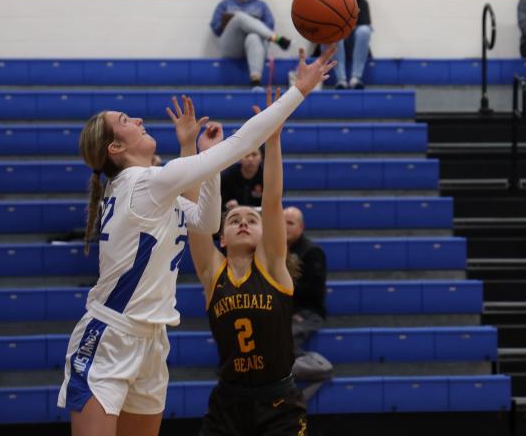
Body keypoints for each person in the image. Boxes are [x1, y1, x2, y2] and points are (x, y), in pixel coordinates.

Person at [57, 48, 335, 436]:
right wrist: (298, 91)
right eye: (125, 120)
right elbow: (238, 146)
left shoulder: (151, 190)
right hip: (111, 337)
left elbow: (204, 219)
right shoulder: (143, 183)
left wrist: (197, 153)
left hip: (152, 342)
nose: (137, 119)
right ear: (115, 148)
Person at [188, 90, 309, 436]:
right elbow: (195, 216)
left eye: (250, 220)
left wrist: (273, 139)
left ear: (264, 235)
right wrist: (198, 155)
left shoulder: (272, 265)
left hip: (278, 403)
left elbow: (271, 199)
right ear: (221, 238)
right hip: (229, 403)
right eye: (234, 219)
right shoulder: (213, 272)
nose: (243, 221)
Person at [210, 0, 292, 90]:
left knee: (253, 36)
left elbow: (270, 26)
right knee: (240, 17)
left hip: (256, 46)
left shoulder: (261, 5)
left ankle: (256, 81)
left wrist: (250, 26)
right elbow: (216, 29)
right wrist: (233, 23)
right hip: (232, 46)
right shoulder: (224, 4)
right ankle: (277, 39)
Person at [284, 206, 328, 354]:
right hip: (282, 310)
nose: (285, 227)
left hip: (307, 312)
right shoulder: (273, 250)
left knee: (283, 338)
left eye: (290, 223)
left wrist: (284, 287)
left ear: (301, 227)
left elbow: (315, 291)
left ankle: (311, 367)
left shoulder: (312, 252)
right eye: (282, 222)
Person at [331, 0, 373, 89]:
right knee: (334, 33)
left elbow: (363, 25)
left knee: (364, 30)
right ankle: (341, 80)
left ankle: (356, 77)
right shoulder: (324, 2)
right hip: (333, 44)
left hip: (353, 44)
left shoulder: (361, 1)